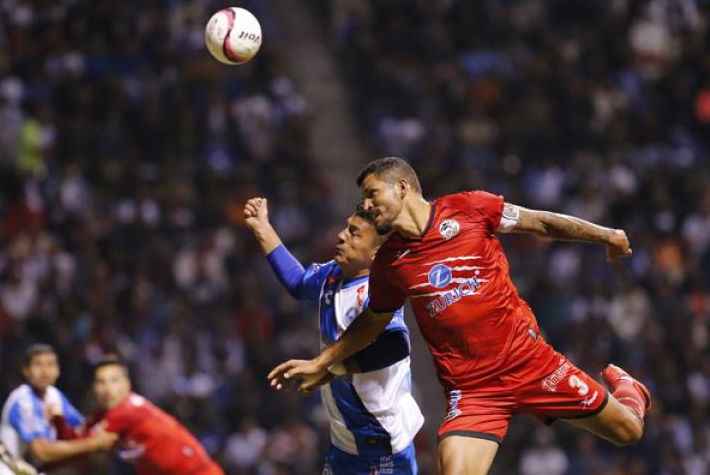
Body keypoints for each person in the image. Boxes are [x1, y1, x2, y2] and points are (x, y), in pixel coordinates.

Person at [269, 157, 652, 475]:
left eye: (372, 194)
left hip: (531, 363)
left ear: (401, 187)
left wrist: (608, 235)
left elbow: (540, 222)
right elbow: (372, 321)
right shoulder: (390, 263)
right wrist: (322, 362)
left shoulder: (470, 208)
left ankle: (630, 390)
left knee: (629, 432)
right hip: (473, 391)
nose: (367, 205)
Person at [244, 197, 424, 475]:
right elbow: (299, 283)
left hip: (382, 448)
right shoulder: (334, 274)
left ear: (376, 251)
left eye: (354, 233)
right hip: (345, 445)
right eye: (345, 228)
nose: (340, 236)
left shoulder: (379, 293)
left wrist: (328, 368)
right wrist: (262, 228)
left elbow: (396, 345)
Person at [50, 355, 223, 475]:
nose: (108, 389)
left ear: (127, 384)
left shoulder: (126, 411)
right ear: (93, 388)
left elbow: (76, 451)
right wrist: (58, 418)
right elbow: (73, 443)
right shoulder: (104, 415)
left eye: (114, 381)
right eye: (101, 382)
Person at [0, 344, 118, 475]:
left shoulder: (54, 395)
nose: (45, 371)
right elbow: (42, 453)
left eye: (50, 364)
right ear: (26, 370)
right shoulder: (23, 401)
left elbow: (82, 428)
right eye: (38, 365)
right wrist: (92, 444)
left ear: (58, 370)